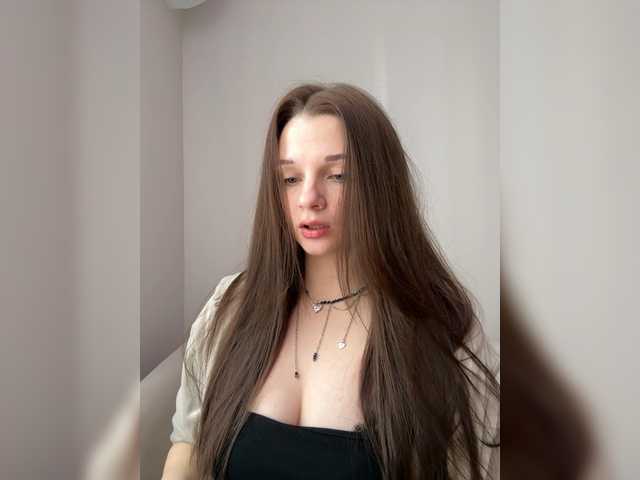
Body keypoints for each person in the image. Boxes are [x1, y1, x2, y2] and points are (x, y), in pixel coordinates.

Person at [162, 82, 500, 480]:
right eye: (290, 178)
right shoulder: (230, 307)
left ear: (380, 185)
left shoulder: (442, 334)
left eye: (337, 175)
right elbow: (188, 443)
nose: (309, 197)